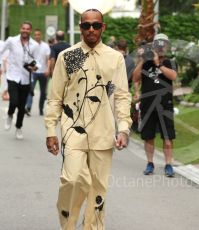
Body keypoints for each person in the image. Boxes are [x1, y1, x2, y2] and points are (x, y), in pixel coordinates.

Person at [44, 9, 132, 229]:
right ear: (80, 27)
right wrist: (50, 130)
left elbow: (122, 96)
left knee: (98, 189)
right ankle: (68, 224)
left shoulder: (115, 58)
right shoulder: (69, 57)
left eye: (95, 25)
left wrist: (123, 128)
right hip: (73, 130)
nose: (90, 29)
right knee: (72, 180)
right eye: (86, 25)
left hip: (103, 133)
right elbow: (55, 97)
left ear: (103, 27)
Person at [132, 33, 177, 177]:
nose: (161, 47)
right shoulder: (146, 63)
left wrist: (158, 63)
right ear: (154, 45)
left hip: (165, 104)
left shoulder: (170, 62)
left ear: (167, 46)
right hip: (148, 104)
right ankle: (150, 163)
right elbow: (135, 77)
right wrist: (142, 60)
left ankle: (168, 164)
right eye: (159, 44)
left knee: (167, 137)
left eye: (164, 44)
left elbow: (173, 76)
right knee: (148, 136)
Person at [0, 21, 40, 139]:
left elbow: (37, 61)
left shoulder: (34, 45)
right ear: (20, 29)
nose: (25, 30)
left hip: (26, 78)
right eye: (23, 28)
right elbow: (1, 51)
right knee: (13, 102)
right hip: (12, 76)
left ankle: (18, 128)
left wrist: (35, 67)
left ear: (30, 31)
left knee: (22, 107)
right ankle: (9, 114)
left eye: (28, 29)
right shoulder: (12, 41)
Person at [25, 29, 51, 116]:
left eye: (38, 34)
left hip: (43, 72)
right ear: (34, 36)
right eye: (35, 35)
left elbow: (48, 59)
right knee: (30, 90)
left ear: (41, 35)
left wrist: (48, 69)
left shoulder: (46, 46)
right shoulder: (31, 45)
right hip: (34, 72)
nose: (37, 36)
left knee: (43, 92)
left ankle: (41, 109)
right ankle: (28, 108)